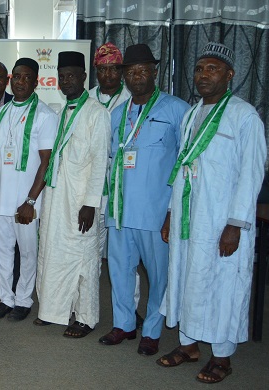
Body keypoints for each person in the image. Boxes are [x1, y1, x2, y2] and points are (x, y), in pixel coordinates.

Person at [158, 42, 266, 384]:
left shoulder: (244, 115)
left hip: (222, 222)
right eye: (200, 69)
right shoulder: (192, 114)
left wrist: (235, 224)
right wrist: (171, 212)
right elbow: (182, 166)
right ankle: (188, 345)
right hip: (189, 218)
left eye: (213, 69)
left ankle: (222, 356)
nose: (204, 75)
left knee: (222, 284)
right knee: (186, 279)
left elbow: (252, 173)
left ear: (230, 75)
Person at [99, 44, 189, 355]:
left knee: (158, 275)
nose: (137, 77)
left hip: (155, 212)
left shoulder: (177, 110)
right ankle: (124, 325)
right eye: (131, 72)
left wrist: (172, 211)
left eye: (143, 70)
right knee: (119, 272)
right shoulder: (119, 114)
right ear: (124, 76)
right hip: (121, 211)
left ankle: (151, 331)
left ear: (154, 72)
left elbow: (185, 164)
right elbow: (113, 159)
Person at [34, 51, 110, 338]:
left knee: (84, 257)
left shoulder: (96, 113)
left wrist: (91, 204)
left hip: (81, 201)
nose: (66, 81)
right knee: (54, 253)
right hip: (57, 198)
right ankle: (54, 310)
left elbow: (100, 160)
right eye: (62, 76)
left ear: (84, 78)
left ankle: (86, 317)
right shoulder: (61, 111)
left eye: (72, 76)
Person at [0, 58, 57, 321]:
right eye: (16, 76)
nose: (20, 81)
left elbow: (46, 162)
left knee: (27, 252)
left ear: (36, 81)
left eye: (26, 77)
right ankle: (6, 298)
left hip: (27, 201)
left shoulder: (46, 115)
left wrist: (30, 200)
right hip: (0, 196)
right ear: (10, 79)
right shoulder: (1, 112)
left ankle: (24, 300)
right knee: (3, 251)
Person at [88, 42, 144, 330]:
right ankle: (86, 307)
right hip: (92, 192)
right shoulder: (86, 100)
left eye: (113, 68)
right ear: (95, 71)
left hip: (123, 190)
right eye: (102, 69)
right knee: (90, 252)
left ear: (122, 72)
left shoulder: (132, 100)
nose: (108, 74)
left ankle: (131, 311)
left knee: (126, 257)